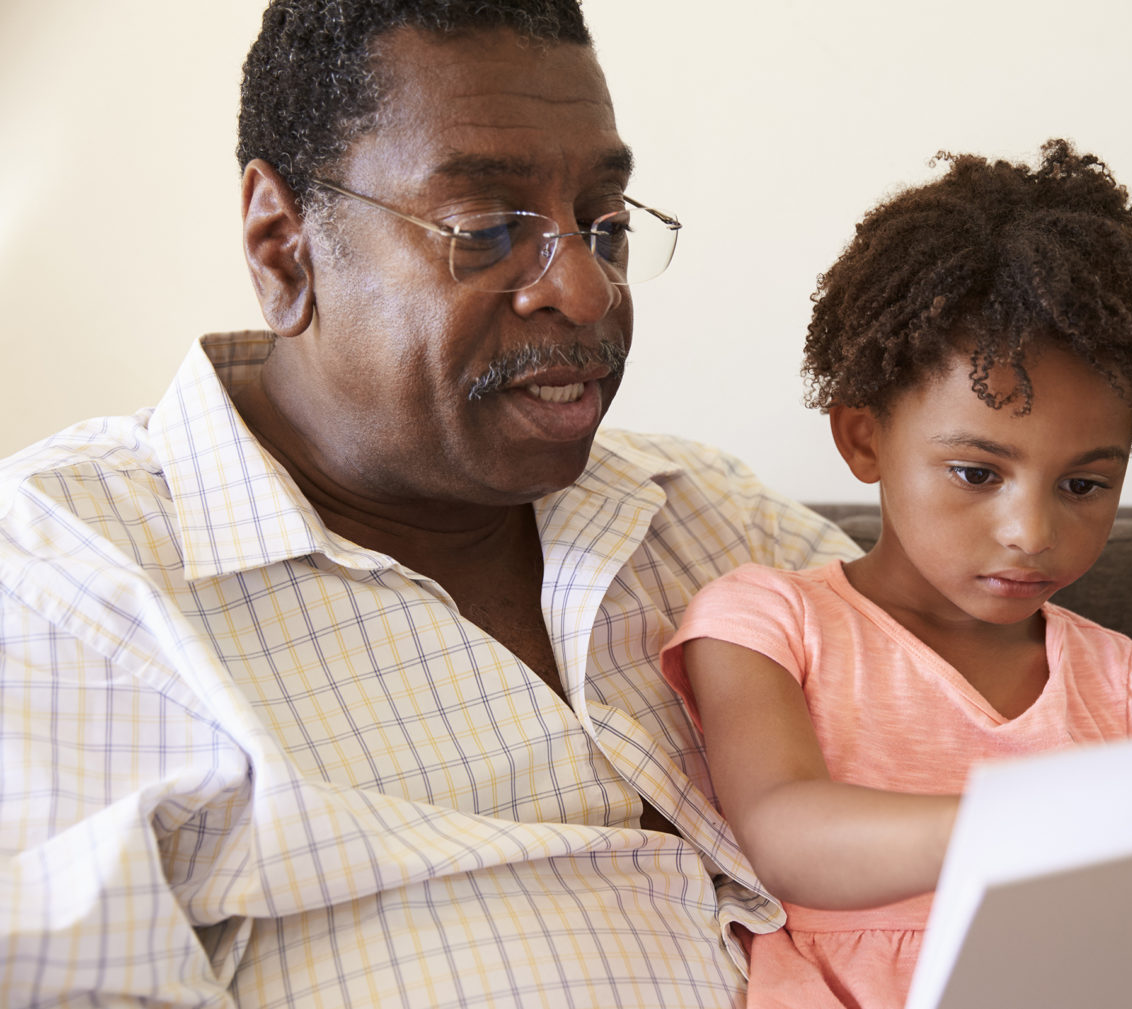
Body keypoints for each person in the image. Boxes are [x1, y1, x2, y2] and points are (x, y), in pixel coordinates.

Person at [0, 1, 858, 1006]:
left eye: (604, 226)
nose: (584, 292)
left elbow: (1012, 754)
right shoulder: (60, 579)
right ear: (283, 247)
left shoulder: (706, 516)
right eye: (489, 230)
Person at [661, 139, 1132, 1008]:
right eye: (977, 473)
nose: (1030, 533)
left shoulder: (1127, 683)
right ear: (864, 439)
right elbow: (782, 828)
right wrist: (1027, 823)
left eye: (1085, 484)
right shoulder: (768, 620)